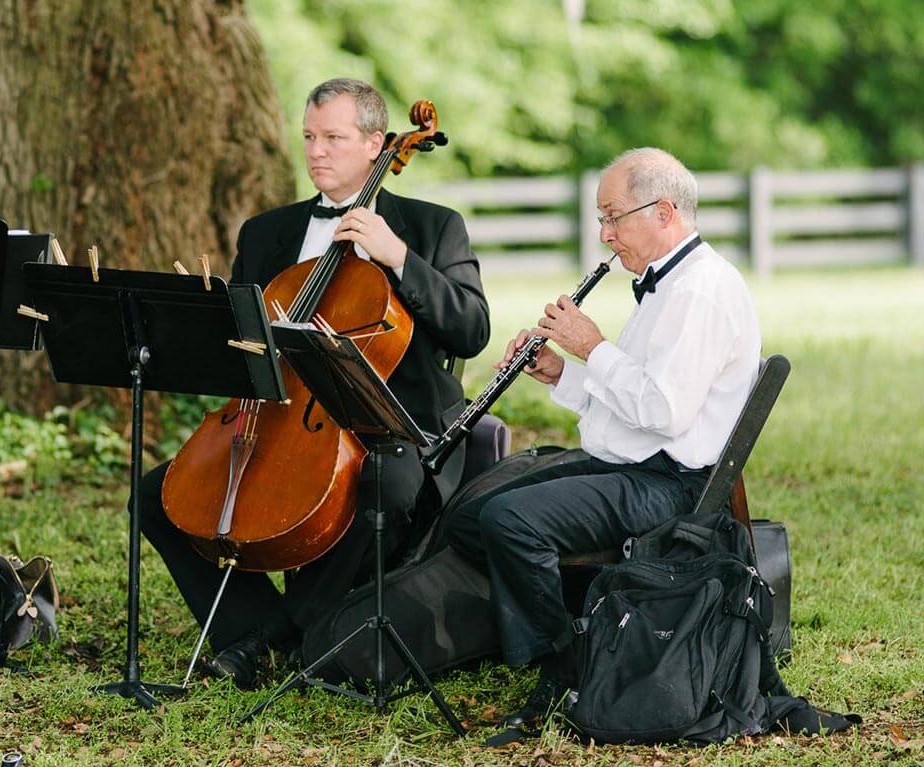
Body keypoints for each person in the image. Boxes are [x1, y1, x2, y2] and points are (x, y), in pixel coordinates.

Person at [137, 78, 491, 688]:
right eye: (309, 137)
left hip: (389, 428)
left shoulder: (434, 228)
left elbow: (472, 330)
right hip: (278, 415)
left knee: (382, 478)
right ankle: (255, 630)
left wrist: (398, 258)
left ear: (378, 144)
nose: (317, 151)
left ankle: (289, 633)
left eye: (333, 137)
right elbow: (242, 343)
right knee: (157, 494)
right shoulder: (266, 233)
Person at [445, 147, 762, 728]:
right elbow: (636, 396)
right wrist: (562, 372)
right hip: (635, 460)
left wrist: (591, 346)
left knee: (509, 521)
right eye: (601, 219)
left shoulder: (698, 292)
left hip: (672, 483)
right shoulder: (665, 284)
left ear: (664, 211)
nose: (605, 234)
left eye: (614, 217)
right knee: (469, 514)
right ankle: (583, 622)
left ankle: (563, 665)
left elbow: (663, 410)